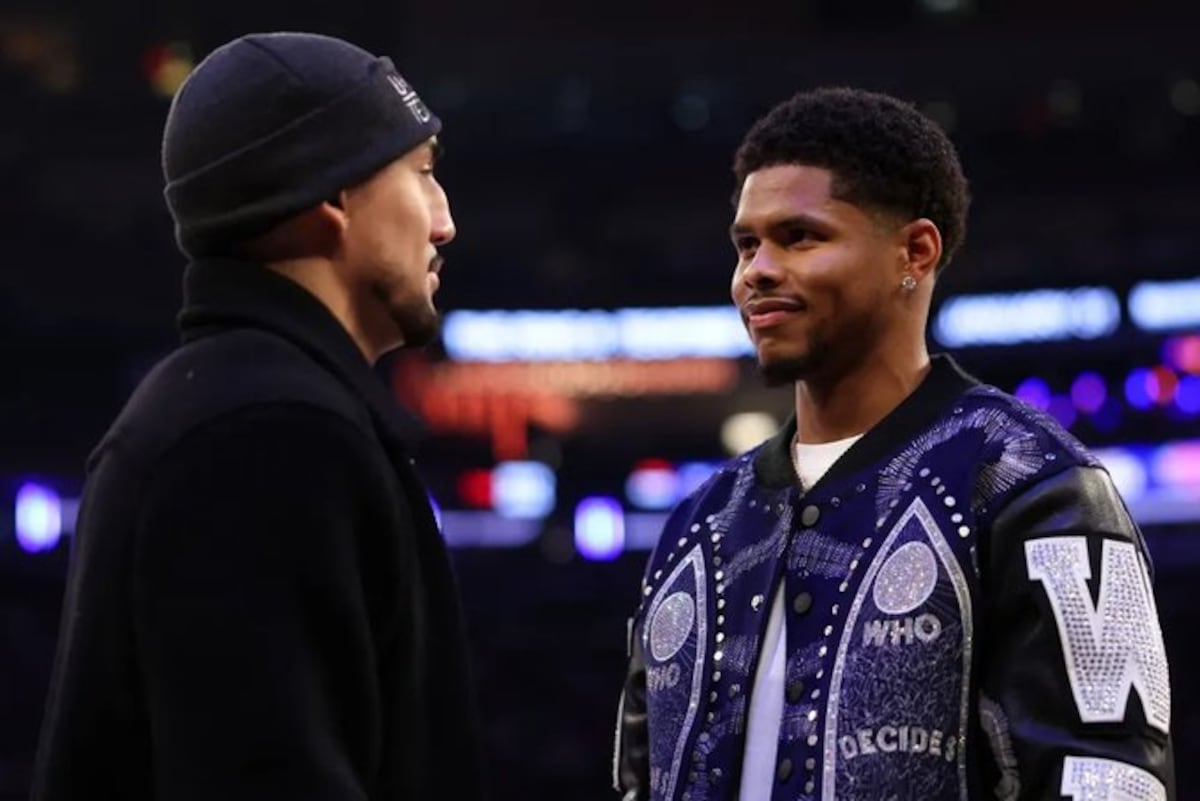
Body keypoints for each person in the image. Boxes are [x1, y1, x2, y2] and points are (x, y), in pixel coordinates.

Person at [614, 87, 1174, 801]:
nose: (756, 271)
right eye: (747, 244)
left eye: (799, 236)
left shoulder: (1036, 486)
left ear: (916, 251)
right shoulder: (697, 526)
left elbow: (1111, 781)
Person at [33, 32, 483, 801]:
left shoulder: (236, 406)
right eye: (420, 173)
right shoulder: (267, 433)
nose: (444, 222)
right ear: (335, 195)